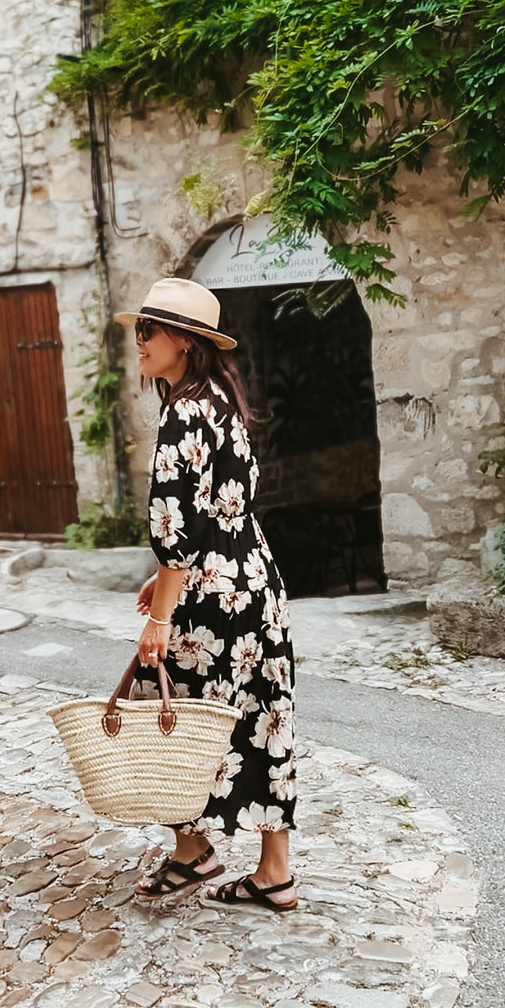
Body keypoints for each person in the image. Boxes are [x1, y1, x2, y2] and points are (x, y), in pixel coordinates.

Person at [114, 277, 298, 912]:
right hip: (254, 582)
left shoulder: (182, 411)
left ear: (184, 344)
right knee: (262, 716)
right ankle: (274, 872)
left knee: (168, 713)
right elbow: (217, 512)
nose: (137, 344)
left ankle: (192, 851)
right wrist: (172, 576)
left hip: (211, 604)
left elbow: (172, 524)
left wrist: (160, 615)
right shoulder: (222, 397)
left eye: (148, 333)